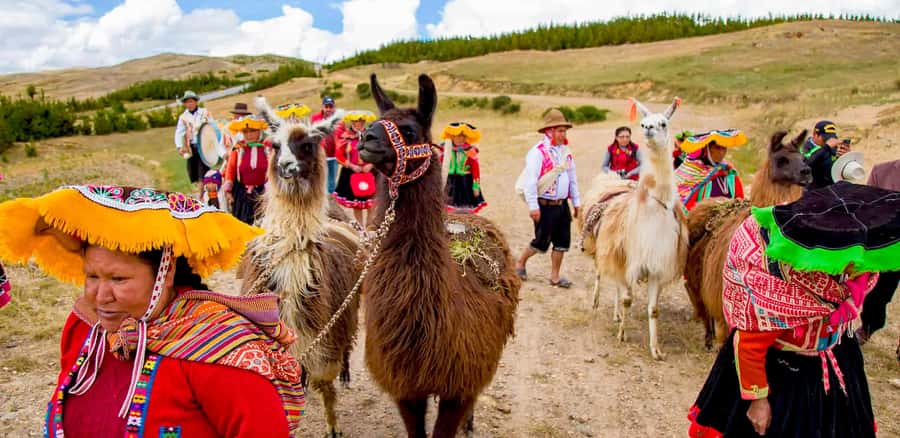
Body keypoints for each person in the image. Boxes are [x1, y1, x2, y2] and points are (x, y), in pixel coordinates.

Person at [0, 185, 303, 436]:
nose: (99, 296)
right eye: (92, 276)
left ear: (166, 273)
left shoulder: (219, 350)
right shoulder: (85, 328)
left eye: (118, 279)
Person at [689, 182, 900, 437]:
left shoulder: (853, 279)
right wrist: (759, 401)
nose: (856, 263)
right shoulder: (782, 288)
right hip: (784, 376)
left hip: (837, 359)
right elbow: (749, 345)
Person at [515, 109, 581, 288]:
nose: (563, 134)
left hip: (562, 205)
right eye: (560, 130)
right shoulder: (537, 153)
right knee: (541, 241)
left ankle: (555, 276)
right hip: (545, 205)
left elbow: (572, 178)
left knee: (562, 241)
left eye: (564, 131)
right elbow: (531, 181)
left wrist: (576, 203)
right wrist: (533, 206)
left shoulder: (566, 152)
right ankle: (520, 262)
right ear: (549, 131)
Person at [857, 157, 900, 346]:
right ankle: (868, 327)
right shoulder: (882, 170)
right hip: (886, 247)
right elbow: (867, 210)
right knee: (877, 295)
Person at [675, 130, 746, 211]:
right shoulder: (692, 172)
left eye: (724, 148)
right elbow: (686, 207)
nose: (721, 152)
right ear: (707, 149)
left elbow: (740, 201)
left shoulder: (730, 173)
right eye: (717, 148)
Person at [223, 115, 270, 225]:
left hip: (264, 194)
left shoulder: (267, 148)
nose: (249, 135)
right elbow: (231, 170)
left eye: (253, 131)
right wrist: (228, 191)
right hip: (242, 195)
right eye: (246, 132)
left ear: (259, 131)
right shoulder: (238, 149)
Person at [333, 110, 376, 226]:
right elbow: (338, 156)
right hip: (352, 173)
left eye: (362, 120)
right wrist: (352, 166)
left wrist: (371, 165)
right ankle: (361, 230)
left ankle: (370, 227)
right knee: (357, 205)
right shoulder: (345, 137)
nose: (360, 123)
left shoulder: (371, 136)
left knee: (371, 204)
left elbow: (378, 153)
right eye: (357, 120)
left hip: (370, 172)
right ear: (352, 121)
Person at [174, 90, 215, 195]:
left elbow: (213, 126)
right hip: (192, 147)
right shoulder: (183, 117)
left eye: (191, 101)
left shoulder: (204, 113)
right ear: (185, 104)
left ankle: (200, 194)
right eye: (187, 102)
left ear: (196, 102)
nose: (190, 104)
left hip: (204, 146)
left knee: (202, 171)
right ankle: (202, 190)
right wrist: (179, 147)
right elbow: (179, 132)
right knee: (193, 172)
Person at [441, 122, 487, 213]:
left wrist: (476, 186)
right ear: (452, 136)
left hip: (465, 183)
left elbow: (475, 169)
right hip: (449, 182)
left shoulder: (470, 151)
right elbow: (441, 165)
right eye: (458, 136)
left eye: (463, 136)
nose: (460, 139)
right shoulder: (445, 150)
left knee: (465, 208)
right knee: (447, 207)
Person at [803, 120, 851, 190]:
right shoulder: (804, 147)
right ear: (815, 134)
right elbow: (807, 164)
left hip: (831, 190)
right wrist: (826, 147)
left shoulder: (832, 147)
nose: (827, 141)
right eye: (825, 138)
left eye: (830, 138)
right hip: (811, 192)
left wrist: (845, 157)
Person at [312, 96, 340, 194]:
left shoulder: (339, 119)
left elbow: (342, 135)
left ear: (334, 107)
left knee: (332, 180)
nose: (328, 109)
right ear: (322, 107)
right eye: (326, 106)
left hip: (333, 156)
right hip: (319, 156)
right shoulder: (315, 118)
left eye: (330, 107)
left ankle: (330, 202)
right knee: (319, 179)